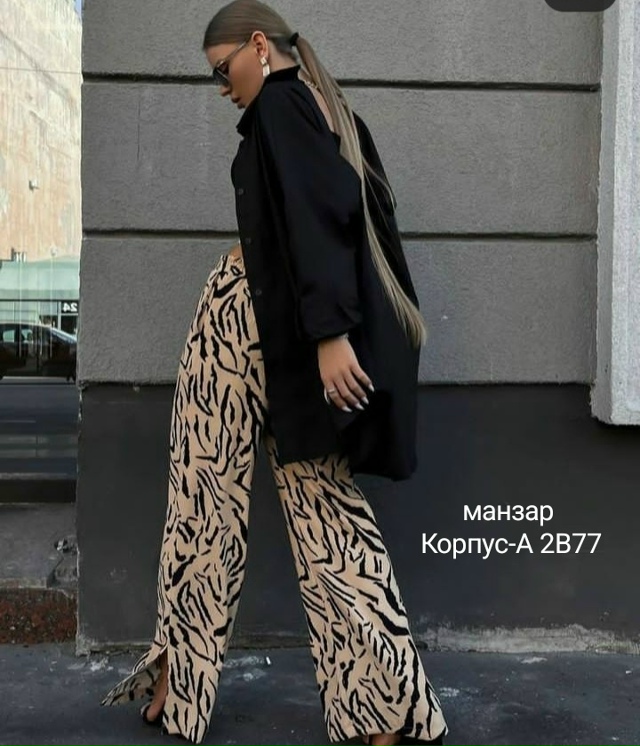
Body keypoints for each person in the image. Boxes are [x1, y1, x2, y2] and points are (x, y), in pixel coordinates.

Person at [100, 2, 449, 745]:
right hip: (280, 335)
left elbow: (319, 220)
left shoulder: (282, 107)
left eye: (223, 70)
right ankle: (385, 705)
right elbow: (332, 221)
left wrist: (331, 334)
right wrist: (327, 331)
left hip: (249, 330)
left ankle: (181, 672)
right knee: (321, 513)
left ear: (259, 45)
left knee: (205, 500)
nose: (222, 87)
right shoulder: (325, 106)